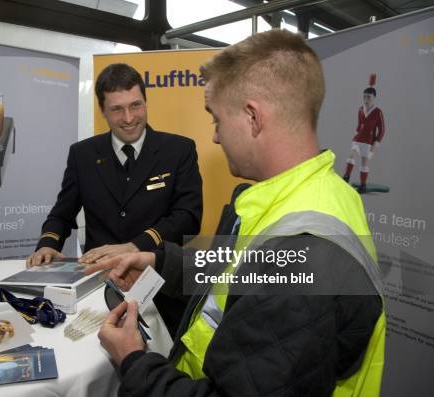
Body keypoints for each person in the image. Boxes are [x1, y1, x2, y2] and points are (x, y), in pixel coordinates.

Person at [85, 29, 385, 397]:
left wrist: (133, 360)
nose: (215, 136)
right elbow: (234, 267)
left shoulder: (302, 256)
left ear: (252, 117)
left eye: (216, 119)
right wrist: (159, 262)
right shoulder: (316, 194)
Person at [27, 63, 203, 335]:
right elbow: (62, 214)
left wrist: (135, 246)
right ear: (102, 111)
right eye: (117, 109)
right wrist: (47, 243)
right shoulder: (82, 154)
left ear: (145, 102)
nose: (129, 118)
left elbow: (188, 217)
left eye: (136, 106)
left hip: (160, 285)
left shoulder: (178, 150)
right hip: (99, 287)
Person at [342, 74, 385, 193]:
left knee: (364, 162)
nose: (366, 100)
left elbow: (382, 129)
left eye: (369, 97)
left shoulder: (378, 112)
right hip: (358, 138)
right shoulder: (361, 109)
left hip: (368, 141)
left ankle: (363, 184)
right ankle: (346, 176)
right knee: (351, 156)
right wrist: (356, 133)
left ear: (374, 98)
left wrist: (376, 142)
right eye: (364, 97)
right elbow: (359, 123)